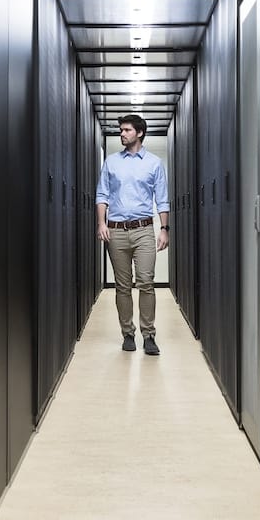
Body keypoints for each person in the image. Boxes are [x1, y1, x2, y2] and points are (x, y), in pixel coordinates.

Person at [95, 113, 170, 355]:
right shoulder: (111, 162)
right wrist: (101, 223)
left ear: (139, 132)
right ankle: (128, 333)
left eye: (126, 130)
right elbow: (102, 195)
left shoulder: (154, 163)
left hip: (144, 230)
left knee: (146, 283)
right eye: (121, 130)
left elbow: (163, 199)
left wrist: (164, 230)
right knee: (122, 286)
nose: (122, 134)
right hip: (116, 232)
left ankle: (149, 335)